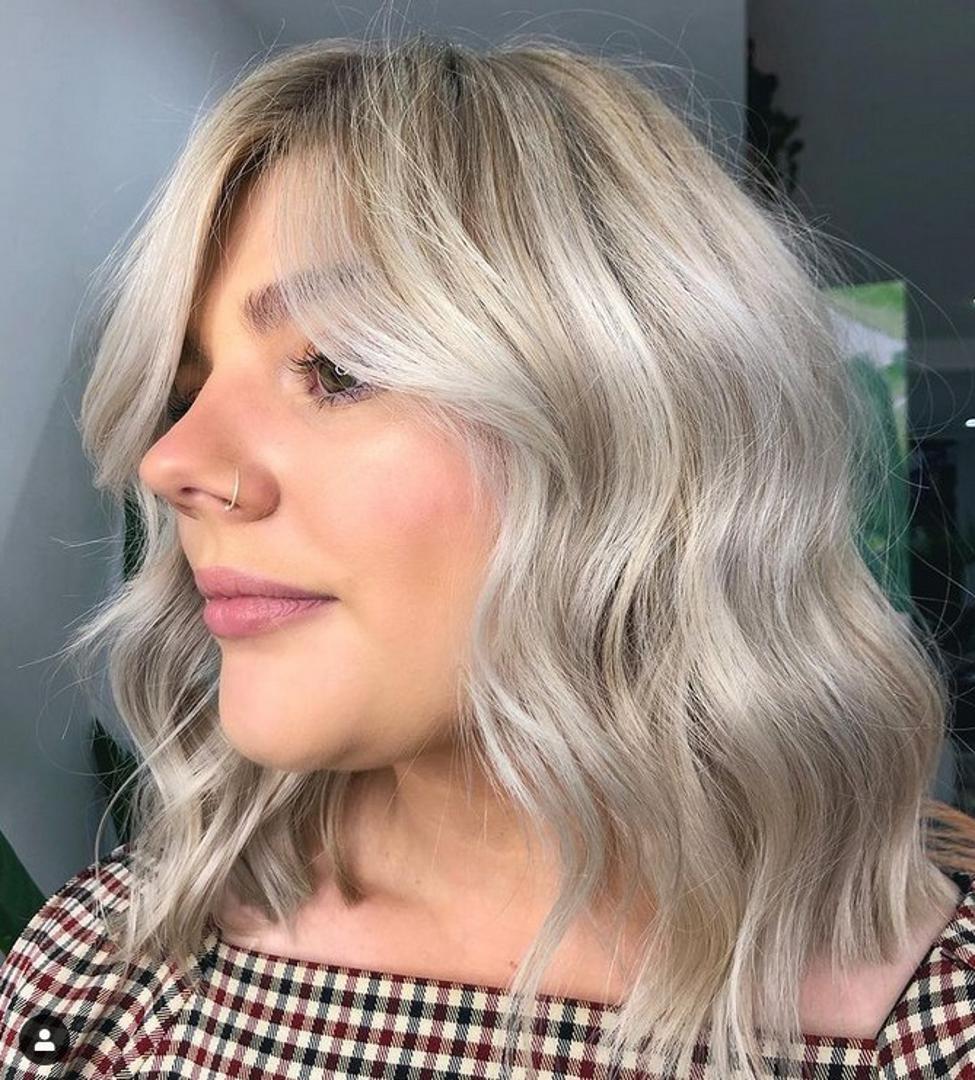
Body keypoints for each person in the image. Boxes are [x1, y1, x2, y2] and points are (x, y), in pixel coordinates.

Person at [3, 29, 975, 1080]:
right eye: (186, 391)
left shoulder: (928, 1031)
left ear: (639, 429)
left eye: (338, 366)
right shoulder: (93, 973)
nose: (170, 462)